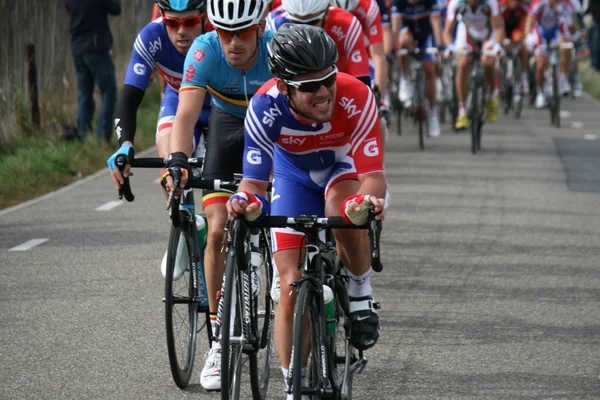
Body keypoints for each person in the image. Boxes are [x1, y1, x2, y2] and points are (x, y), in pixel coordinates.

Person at [226, 24, 387, 399]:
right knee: (289, 287)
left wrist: (370, 202)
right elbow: (254, 185)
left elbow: (373, 177)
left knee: (344, 206)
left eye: (328, 79)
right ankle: (292, 384)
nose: (323, 92)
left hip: (341, 169)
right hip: (292, 177)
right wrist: (246, 203)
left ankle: (360, 290)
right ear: (284, 87)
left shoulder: (356, 96)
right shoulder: (264, 107)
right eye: (309, 86)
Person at [160, 0, 273, 391]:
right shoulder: (204, 48)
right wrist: (177, 159)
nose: (234, 42)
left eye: (243, 32)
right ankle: (217, 337)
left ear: (259, 26)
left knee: (273, 214)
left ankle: (268, 259)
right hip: (225, 126)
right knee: (216, 230)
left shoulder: (277, 48)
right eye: (226, 32)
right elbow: (186, 115)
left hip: (271, 127)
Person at [266, 0, 372, 85]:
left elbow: (361, 79)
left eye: (312, 22)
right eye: (296, 23)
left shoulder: (347, 24)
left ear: (326, 12)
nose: (305, 29)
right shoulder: (275, 23)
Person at [65, 0, 121, 144]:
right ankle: (103, 137)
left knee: (84, 94)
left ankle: (84, 133)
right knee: (108, 92)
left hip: (77, 48)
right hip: (96, 47)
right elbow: (115, 8)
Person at [444, 0, 505, 129]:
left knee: (488, 59)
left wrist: (498, 46)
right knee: (463, 63)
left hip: (487, 34)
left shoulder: (490, 2)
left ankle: (492, 94)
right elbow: (447, 31)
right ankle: (462, 110)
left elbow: (499, 27)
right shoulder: (456, 3)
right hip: (466, 34)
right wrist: (450, 47)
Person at [391, 0, 444, 137]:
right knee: (403, 41)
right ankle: (405, 77)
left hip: (426, 33)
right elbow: (396, 27)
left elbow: (436, 21)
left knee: (430, 69)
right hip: (407, 32)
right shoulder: (398, 2)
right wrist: (394, 48)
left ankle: (433, 114)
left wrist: (440, 45)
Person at [524, 0, 575, 108]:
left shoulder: (566, 5)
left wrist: (576, 36)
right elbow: (530, 20)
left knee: (566, 45)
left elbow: (570, 25)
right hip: (540, 32)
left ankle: (563, 78)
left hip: (556, 32)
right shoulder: (540, 3)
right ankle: (540, 92)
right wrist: (528, 36)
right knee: (541, 63)